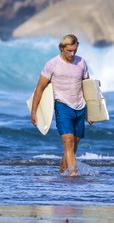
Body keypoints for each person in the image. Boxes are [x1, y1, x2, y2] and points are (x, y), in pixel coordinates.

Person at [30, 34, 89, 176]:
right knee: (68, 142)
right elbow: (40, 88)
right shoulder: (52, 64)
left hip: (80, 107)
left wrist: (92, 112)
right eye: (69, 50)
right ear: (61, 48)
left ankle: (62, 172)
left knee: (73, 146)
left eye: (75, 50)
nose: (72, 53)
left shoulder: (81, 62)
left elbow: (88, 87)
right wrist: (34, 111)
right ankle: (73, 174)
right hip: (62, 106)